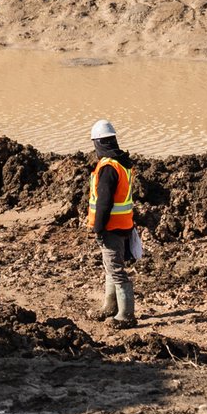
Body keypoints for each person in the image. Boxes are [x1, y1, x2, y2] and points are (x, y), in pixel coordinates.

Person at [87, 119, 139, 328]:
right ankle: (110, 307)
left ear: (98, 143)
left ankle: (126, 315)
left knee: (116, 269)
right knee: (111, 267)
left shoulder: (108, 167)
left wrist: (98, 227)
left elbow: (104, 201)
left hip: (111, 227)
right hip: (124, 224)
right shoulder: (122, 164)